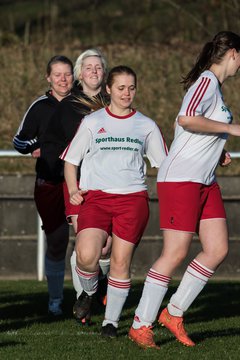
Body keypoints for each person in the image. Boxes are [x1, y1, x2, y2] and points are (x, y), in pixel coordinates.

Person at [128, 30, 240, 349]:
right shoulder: (206, 81)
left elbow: (184, 129)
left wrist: (216, 149)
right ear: (232, 53)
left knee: (217, 249)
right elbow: (187, 119)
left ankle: (174, 313)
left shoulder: (213, 88)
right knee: (175, 252)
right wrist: (231, 129)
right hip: (181, 179)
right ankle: (141, 324)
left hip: (205, 180)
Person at [61, 65, 168, 337]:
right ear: (108, 89)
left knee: (121, 261)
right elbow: (71, 160)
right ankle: (89, 292)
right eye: (121, 88)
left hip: (132, 199)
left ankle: (111, 322)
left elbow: (166, 165)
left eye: (131, 88)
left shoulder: (146, 125)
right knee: (86, 256)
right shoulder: (93, 121)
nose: (126, 93)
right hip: (95, 198)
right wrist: (74, 189)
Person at [42, 48, 111, 322]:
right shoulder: (67, 107)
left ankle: (95, 289)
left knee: (105, 248)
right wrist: (66, 175)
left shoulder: (114, 102)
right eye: (88, 67)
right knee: (85, 243)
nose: (94, 71)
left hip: (109, 183)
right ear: (80, 74)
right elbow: (51, 145)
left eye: (98, 67)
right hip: (78, 184)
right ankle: (84, 300)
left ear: (104, 72)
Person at [13, 55, 74, 316]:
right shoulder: (39, 107)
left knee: (91, 241)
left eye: (67, 74)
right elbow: (19, 141)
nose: (63, 79)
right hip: (49, 183)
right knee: (58, 241)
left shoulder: (83, 104)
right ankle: (56, 299)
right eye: (57, 74)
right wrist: (35, 146)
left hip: (80, 183)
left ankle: (91, 296)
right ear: (48, 77)